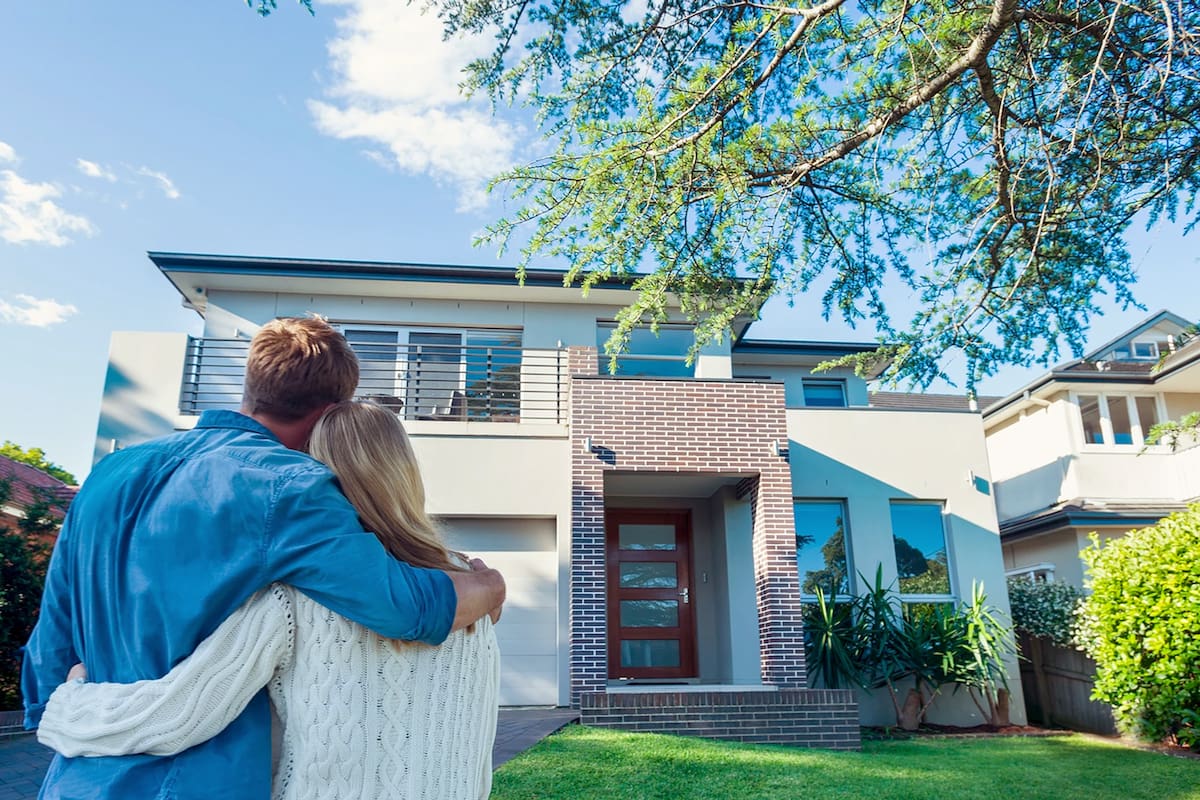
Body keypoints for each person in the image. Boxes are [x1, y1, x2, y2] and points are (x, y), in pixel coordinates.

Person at [21, 317, 506, 800]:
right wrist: (489, 587)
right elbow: (401, 607)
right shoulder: (289, 485)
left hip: (75, 777)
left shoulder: (109, 474)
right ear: (331, 413)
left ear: (252, 383)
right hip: (197, 782)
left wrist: (65, 720)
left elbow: (51, 642)